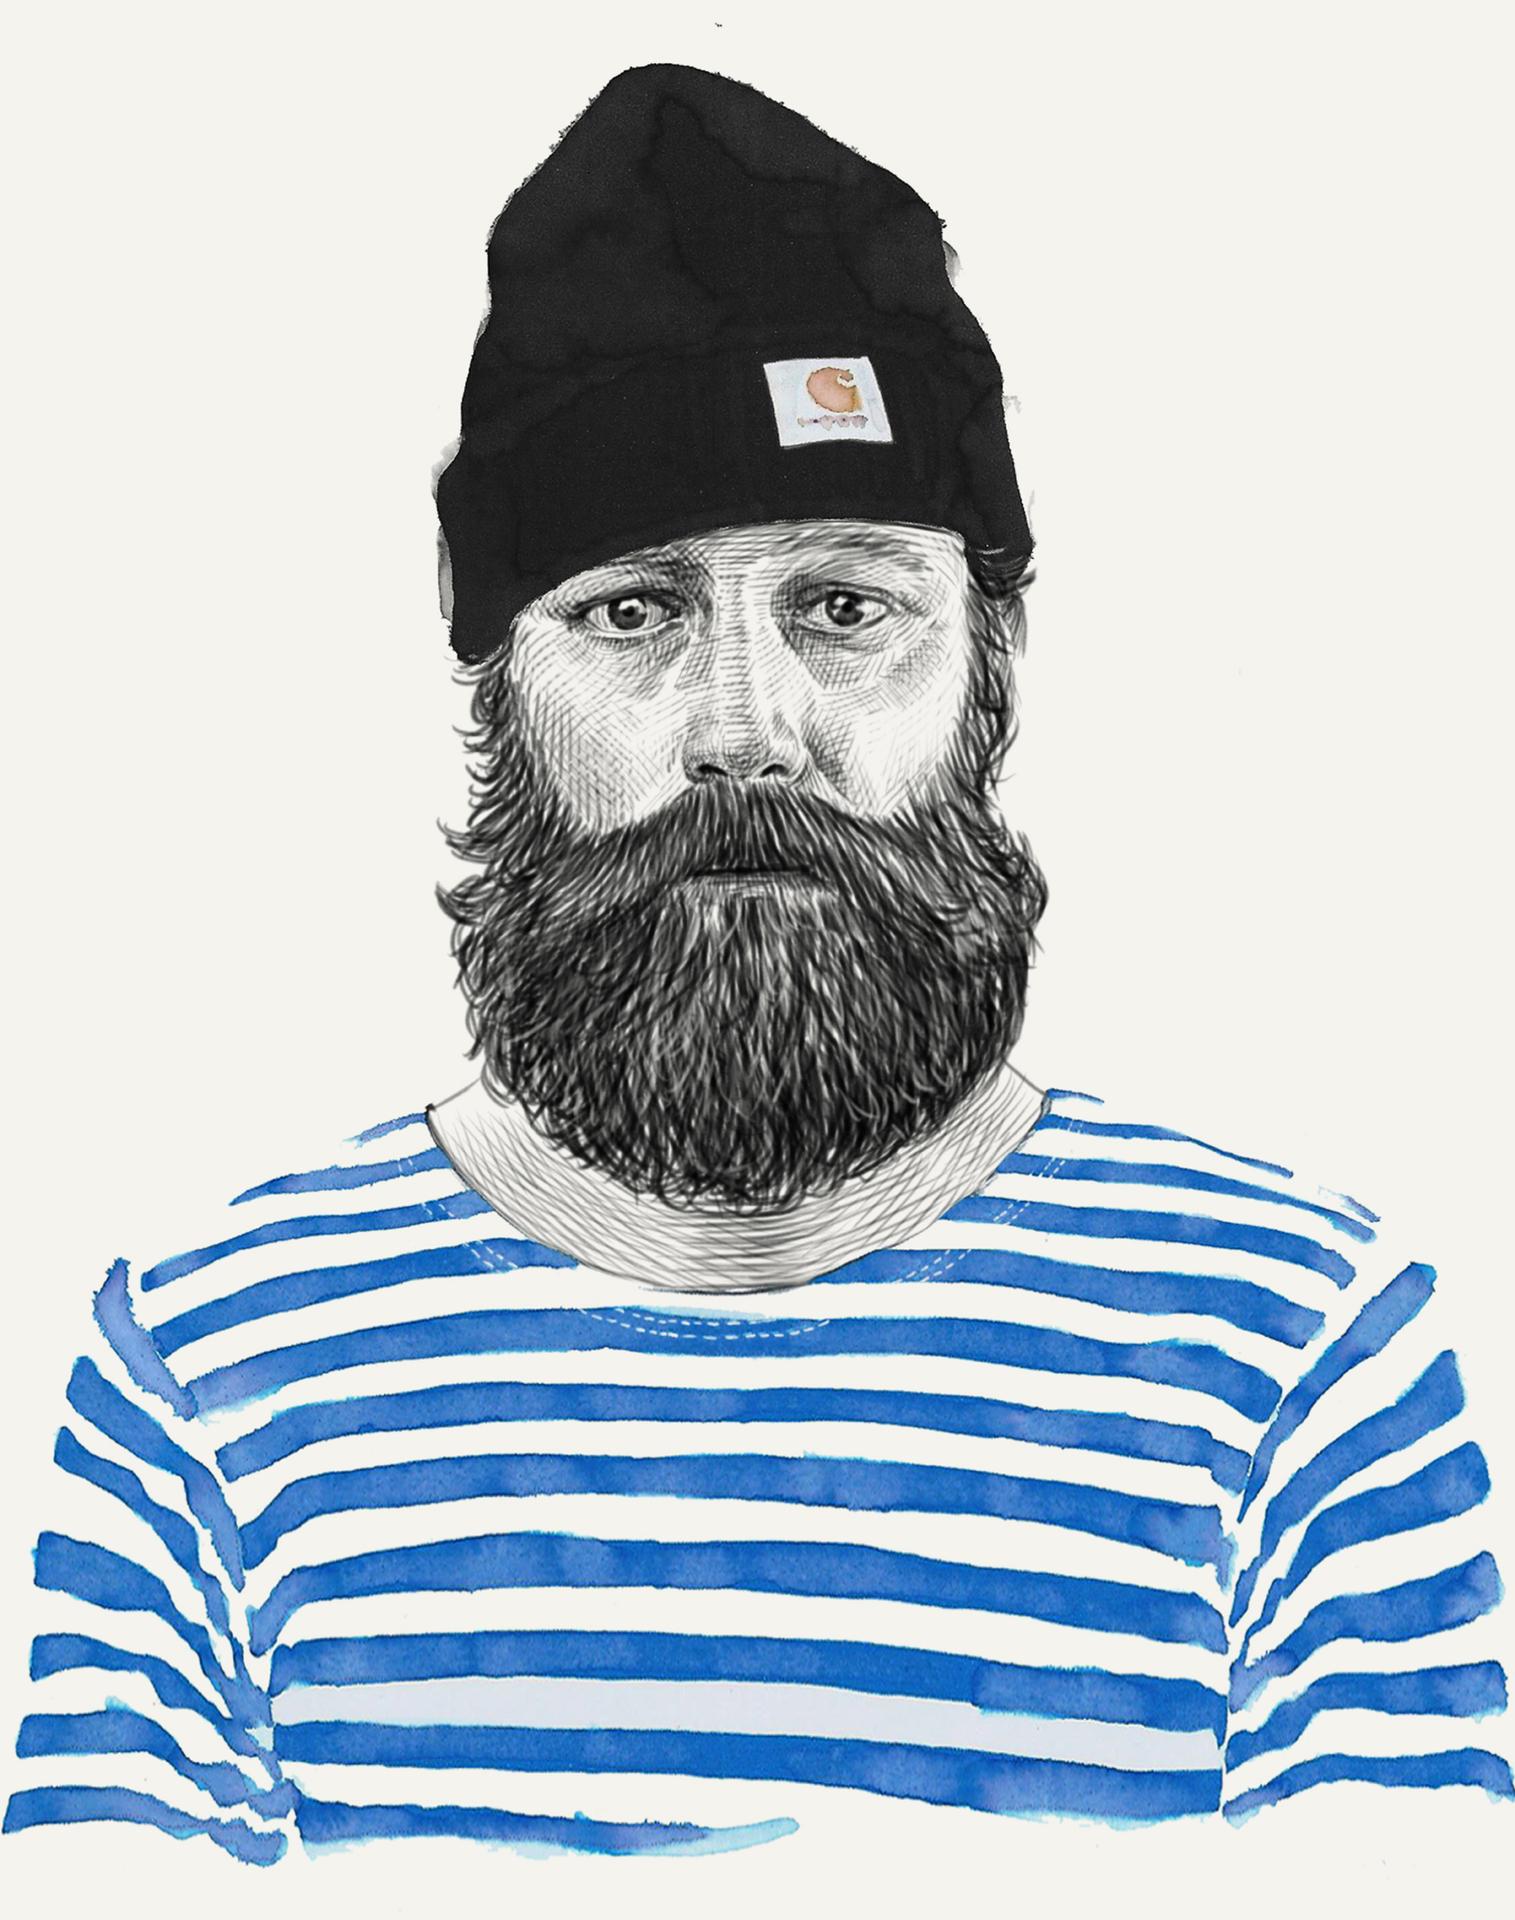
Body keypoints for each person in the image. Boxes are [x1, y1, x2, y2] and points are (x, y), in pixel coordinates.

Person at [3, 62, 1510, 1866]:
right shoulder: (211, 1368)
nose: (742, 726)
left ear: (989, 671)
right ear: (503, 693)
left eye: (846, 607)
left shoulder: (1296, 1348)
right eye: (631, 610)